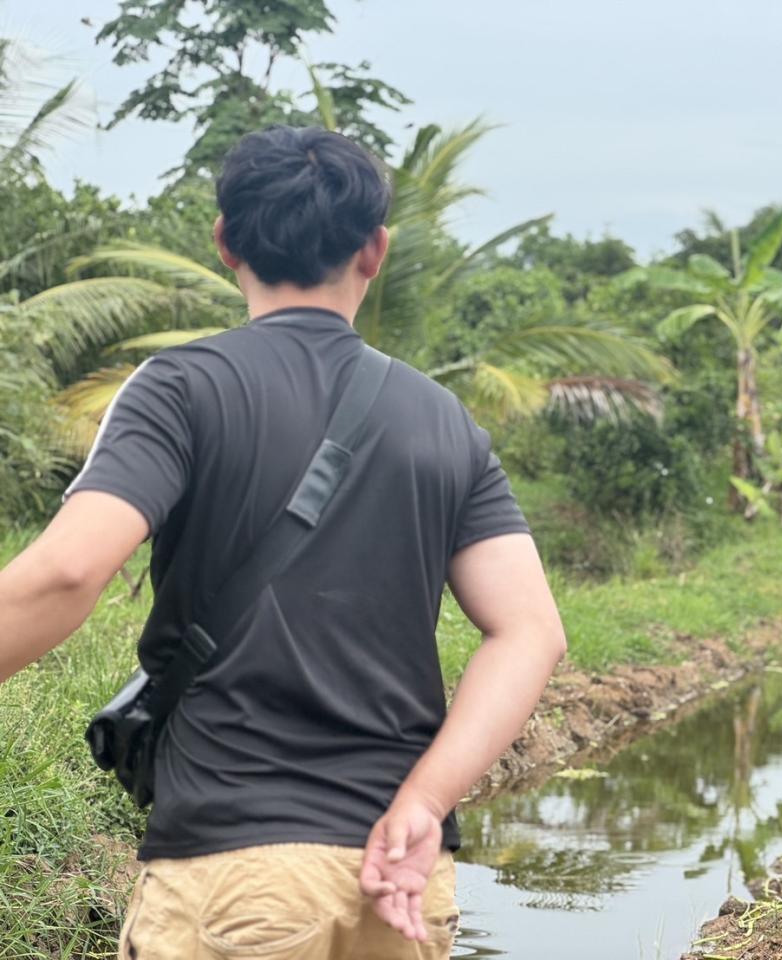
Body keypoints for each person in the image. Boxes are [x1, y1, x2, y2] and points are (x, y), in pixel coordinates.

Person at [0, 126, 566, 960]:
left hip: (234, 868)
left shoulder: (180, 389)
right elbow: (531, 632)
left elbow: (67, 572)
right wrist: (423, 802)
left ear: (225, 241)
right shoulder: (442, 419)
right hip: (400, 876)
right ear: (374, 250)